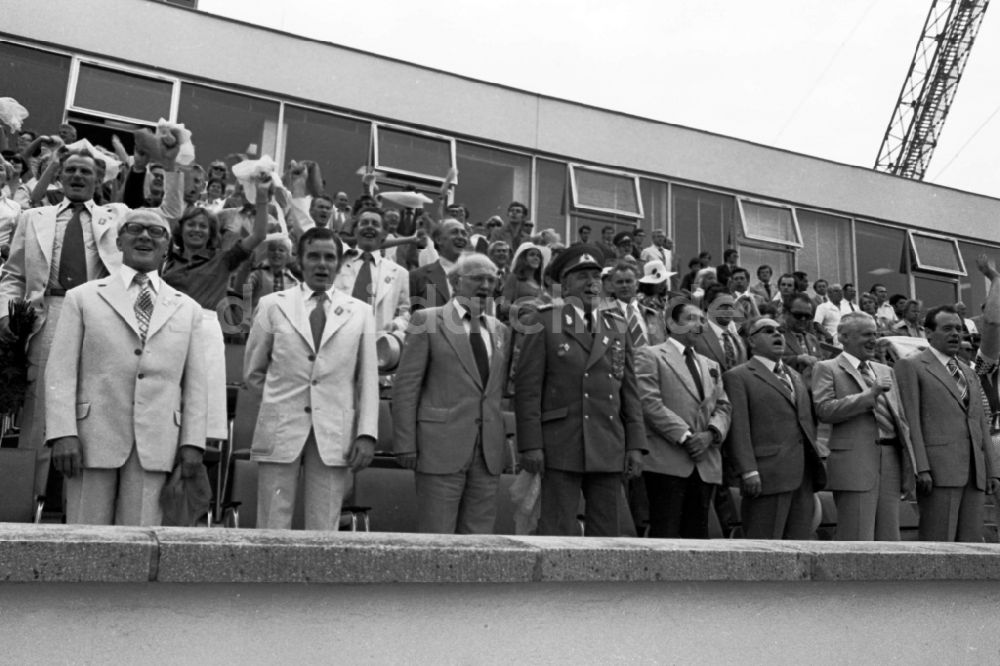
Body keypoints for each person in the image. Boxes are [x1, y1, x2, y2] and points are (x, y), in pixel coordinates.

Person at [0, 141, 183, 498]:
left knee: (94, 408)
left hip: (103, 315)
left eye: (86, 171)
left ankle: (81, 508)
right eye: (70, 170)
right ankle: (25, 507)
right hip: (49, 314)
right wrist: (7, 312)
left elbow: (170, 212)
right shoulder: (33, 217)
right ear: (59, 176)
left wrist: (171, 161)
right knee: (41, 412)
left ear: (100, 178)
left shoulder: (116, 216)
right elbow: (13, 275)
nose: (78, 176)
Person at [44, 209, 206, 525]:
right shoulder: (82, 298)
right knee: (86, 536)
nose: (145, 236)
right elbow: (61, 371)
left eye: (156, 232)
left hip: (156, 440)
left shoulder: (188, 309)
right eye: (134, 228)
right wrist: (63, 433)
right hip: (91, 438)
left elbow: (197, 384)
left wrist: (192, 443)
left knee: (141, 539)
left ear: (168, 247)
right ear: (118, 240)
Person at [244, 227, 379, 530]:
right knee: (271, 522)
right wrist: (279, 402)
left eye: (329, 257)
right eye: (314, 256)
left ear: (339, 263)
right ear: (299, 261)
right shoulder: (272, 305)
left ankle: (317, 580)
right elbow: (254, 371)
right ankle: (264, 577)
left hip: (334, 431)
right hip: (280, 427)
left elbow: (367, 380)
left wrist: (366, 433)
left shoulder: (360, 313)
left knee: (324, 524)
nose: (322, 264)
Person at [514, 244, 646, 537]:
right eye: (582, 276)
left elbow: (629, 391)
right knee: (558, 530)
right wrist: (530, 444)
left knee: (607, 534)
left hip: (608, 442)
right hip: (561, 442)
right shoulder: (545, 321)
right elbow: (528, 389)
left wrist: (635, 444)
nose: (592, 283)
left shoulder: (617, 326)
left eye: (597, 276)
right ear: (565, 284)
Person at [392, 254, 510, 534]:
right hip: (440, 447)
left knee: (479, 539)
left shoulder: (500, 330)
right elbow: (406, 387)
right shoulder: (426, 320)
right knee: (437, 535)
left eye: (491, 280)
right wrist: (405, 443)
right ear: (456, 283)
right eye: (478, 278)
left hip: (487, 452)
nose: (486, 285)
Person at [162, 191, 267, 441]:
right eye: (191, 224)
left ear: (211, 233)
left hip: (204, 333)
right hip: (169, 331)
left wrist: (262, 199)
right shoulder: (165, 260)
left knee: (201, 400)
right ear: (181, 228)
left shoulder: (223, 260)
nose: (196, 230)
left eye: (203, 226)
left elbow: (259, 235)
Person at [895, 305, 1000, 541]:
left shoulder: (968, 372)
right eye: (947, 328)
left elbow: (980, 424)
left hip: (974, 473)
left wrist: (992, 470)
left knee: (971, 547)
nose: (955, 334)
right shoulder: (911, 366)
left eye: (959, 329)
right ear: (928, 333)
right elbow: (910, 421)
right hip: (938, 472)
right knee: (938, 543)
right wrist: (921, 467)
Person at [812, 312, 916, 540]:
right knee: (857, 537)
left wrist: (910, 463)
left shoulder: (884, 370)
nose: (873, 340)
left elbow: (901, 420)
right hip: (854, 462)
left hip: (891, 459)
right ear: (844, 337)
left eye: (875, 334)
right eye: (866, 334)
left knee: (890, 538)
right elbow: (824, 410)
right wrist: (869, 395)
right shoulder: (827, 368)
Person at [635, 301, 731, 538]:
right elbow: (649, 402)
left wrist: (711, 434)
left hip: (705, 462)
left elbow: (723, 406)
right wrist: (686, 436)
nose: (699, 324)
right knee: (665, 532)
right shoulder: (650, 354)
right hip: (668, 458)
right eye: (691, 318)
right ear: (671, 323)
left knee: (698, 535)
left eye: (701, 319)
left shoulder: (710, 364)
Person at [723, 318, 825, 539]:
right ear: (752, 341)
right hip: (766, 475)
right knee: (764, 548)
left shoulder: (795, 376)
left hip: (803, 476)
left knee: (799, 548)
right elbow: (739, 428)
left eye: (780, 331)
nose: (777, 335)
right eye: (768, 331)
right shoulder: (739, 376)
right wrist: (748, 470)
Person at [334, 207, 410, 335]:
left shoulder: (399, 273)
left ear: (385, 234)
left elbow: (406, 313)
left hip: (376, 344)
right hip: (337, 338)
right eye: (364, 223)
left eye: (375, 224)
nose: (369, 227)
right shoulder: (337, 261)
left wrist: (396, 325)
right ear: (355, 231)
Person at [409, 218, 467, 312]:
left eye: (464, 233)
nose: (461, 237)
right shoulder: (417, 277)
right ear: (439, 240)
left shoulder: (477, 276)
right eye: (454, 232)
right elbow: (407, 316)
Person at [693, 284, 746, 372]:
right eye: (723, 305)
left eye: (731, 305)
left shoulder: (738, 339)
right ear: (707, 304)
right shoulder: (695, 335)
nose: (728, 309)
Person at [501, 241, 551, 318]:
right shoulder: (514, 278)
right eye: (532, 255)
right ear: (523, 258)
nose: (536, 258)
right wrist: (523, 308)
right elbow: (504, 307)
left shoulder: (540, 283)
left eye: (538, 256)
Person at [782, 293, 823, 382]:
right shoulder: (775, 335)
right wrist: (797, 359)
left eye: (807, 316)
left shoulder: (812, 339)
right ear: (785, 313)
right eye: (798, 315)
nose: (803, 319)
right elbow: (768, 362)